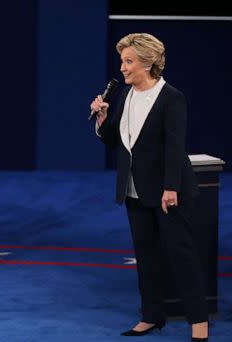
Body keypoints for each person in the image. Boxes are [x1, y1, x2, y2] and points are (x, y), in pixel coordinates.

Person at [90, 33, 208, 341]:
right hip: (134, 190)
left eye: (129, 61)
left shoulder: (171, 97)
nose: (123, 68)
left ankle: (199, 322)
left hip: (168, 192)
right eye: (122, 61)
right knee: (146, 256)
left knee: (181, 255)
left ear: (148, 63)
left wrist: (171, 187)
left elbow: (174, 146)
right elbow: (117, 141)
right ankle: (152, 316)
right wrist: (102, 120)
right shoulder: (127, 95)